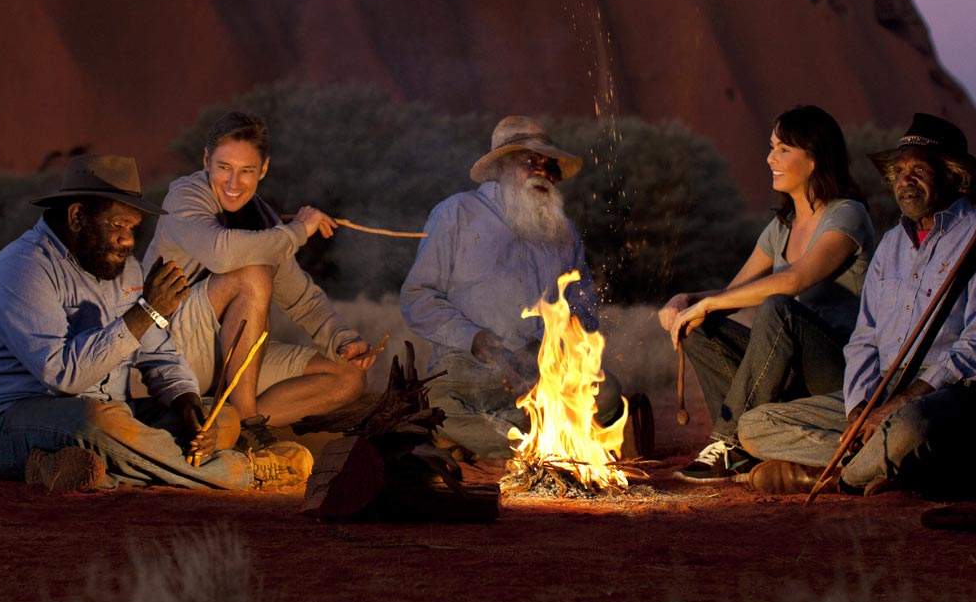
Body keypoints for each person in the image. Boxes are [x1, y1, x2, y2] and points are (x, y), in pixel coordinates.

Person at [738, 113, 976, 498]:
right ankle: (916, 469)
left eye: (918, 170)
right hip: (883, 393)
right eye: (899, 171)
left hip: (951, 395)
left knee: (910, 428)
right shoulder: (891, 246)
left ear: (955, 176)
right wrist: (859, 408)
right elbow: (864, 340)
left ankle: (835, 474)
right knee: (755, 425)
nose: (904, 181)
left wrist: (907, 399)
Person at [0, 154, 253, 492]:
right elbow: (64, 376)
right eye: (117, 225)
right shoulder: (22, 269)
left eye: (133, 228)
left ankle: (82, 469)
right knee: (96, 425)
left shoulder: (126, 268)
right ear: (77, 217)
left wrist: (186, 400)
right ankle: (239, 473)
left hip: (112, 414)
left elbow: (158, 354)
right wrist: (147, 311)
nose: (128, 240)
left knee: (221, 419)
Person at [142, 111, 375, 473]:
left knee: (347, 378)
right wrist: (298, 231)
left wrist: (340, 336)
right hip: (169, 349)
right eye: (224, 167)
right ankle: (250, 426)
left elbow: (299, 296)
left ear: (263, 169)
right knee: (252, 272)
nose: (233, 182)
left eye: (247, 170)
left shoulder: (261, 218)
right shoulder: (184, 196)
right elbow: (222, 251)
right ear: (206, 161)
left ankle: (227, 426)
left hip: (227, 360)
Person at [657, 105, 875, 483]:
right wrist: (690, 300)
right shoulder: (781, 227)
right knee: (698, 324)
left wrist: (710, 302)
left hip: (836, 375)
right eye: (771, 147)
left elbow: (794, 281)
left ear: (814, 158)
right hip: (787, 370)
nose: (769, 158)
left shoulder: (847, 215)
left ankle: (730, 443)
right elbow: (736, 293)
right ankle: (745, 444)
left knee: (779, 307)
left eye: (783, 149)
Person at [400, 116, 624, 459]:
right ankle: (536, 443)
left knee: (607, 395)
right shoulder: (456, 213)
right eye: (530, 161)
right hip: (471, 368)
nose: (543, 172)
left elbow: (584, 305)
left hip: (541, 368)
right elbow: (418, 297)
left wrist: (551, 346)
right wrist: (478, 341)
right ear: (501, 166)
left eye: (549, 165)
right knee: (435, 404)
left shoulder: (563, 233)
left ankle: (503, 438)